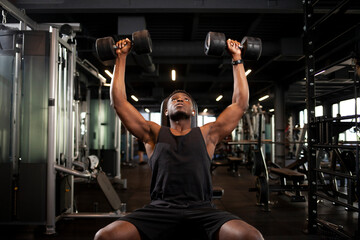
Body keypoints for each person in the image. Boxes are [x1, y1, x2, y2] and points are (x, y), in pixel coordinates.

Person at [94, 36, 264, 240]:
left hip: (203, 210)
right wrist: (120, 58)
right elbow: (119, 103)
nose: (180, 100)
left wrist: (237, 58)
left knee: (251, 236)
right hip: (159, 211)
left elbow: (240, 104)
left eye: (185, 99)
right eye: (174, 99)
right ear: (166, 111)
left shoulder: (207, 134)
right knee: (104, 236)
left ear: (194, 111)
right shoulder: (153, 133)